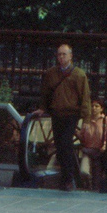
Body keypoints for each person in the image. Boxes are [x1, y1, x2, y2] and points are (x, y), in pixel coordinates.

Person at [35, 41, 91, 191]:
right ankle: (72, 176)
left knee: (66, 144)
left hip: (71, 114)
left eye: (64, 54)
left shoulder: (79, 75)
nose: (61, 57)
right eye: (59, 54)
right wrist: (42, 108)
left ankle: (68, 179)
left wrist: (86, 119)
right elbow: (45, 94)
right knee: (60, 147)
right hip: (56, 114)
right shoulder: (51, 73)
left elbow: (85, 97)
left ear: (70, 56)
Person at [76, 98, 107, 190]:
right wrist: (76, 132)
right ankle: (88, 184)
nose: (94, 108)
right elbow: (82, 137)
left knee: (97, 176)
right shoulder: (86, 120)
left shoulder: (106, 120)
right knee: (84, 171)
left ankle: (94, 190)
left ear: (101, 108)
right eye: (92, 106)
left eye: (96, 106)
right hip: (87, 150)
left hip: (99, 151)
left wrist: (105, 144)